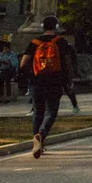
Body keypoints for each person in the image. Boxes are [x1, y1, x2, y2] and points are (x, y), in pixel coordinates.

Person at [22, 17, 73, 159]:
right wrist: (68, 81)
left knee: (38, 112)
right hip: (55, 81)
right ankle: (41, 135)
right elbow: (67, 64)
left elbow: (23, 63)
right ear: (56, 27)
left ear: (43, 26)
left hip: (36, 81)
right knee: (51, 112)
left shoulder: (34, 42)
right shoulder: (61, 42)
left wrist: (31, 75)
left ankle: (37, 144)